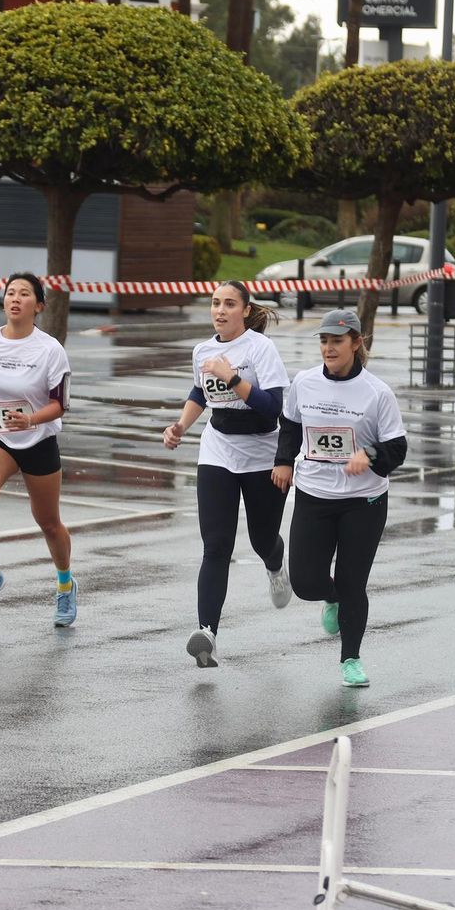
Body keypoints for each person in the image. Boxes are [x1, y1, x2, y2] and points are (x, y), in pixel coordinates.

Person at [272, 309, 406, 688]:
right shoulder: (305, 382)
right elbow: (291, 425)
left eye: (337, 341)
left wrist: (372, 455)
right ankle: (331, 597)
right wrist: (283, 461)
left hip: (363, 501)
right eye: (324, 341)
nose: (329, 348)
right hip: (315, 494)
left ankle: (351, 658)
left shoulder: (377, 393)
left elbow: (398, 446)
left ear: (356, 343)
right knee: (304, 582)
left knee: (353, 582)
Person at [163, 281, 292, 668]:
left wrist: (233, 377)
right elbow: (201, 392)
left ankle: (275, 562)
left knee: (261, 539)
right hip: (218, 448)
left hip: (261, 452)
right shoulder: (203, 350)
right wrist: (181, 426)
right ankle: (207, 635)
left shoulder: (259, 348)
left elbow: (272, 407)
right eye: (216, 303)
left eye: (229, 304)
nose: (220, 310)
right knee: (216, 545)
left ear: (245, 309)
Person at [0, 273, 77, 627]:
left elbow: (60, 405)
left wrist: (31, 420)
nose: (15, 299)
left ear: (38, 306)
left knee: (48, 522)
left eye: (24, 294)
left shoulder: (50, 350)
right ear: (3, 301)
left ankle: (64, 585)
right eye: (10, 293)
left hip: (38, 439)